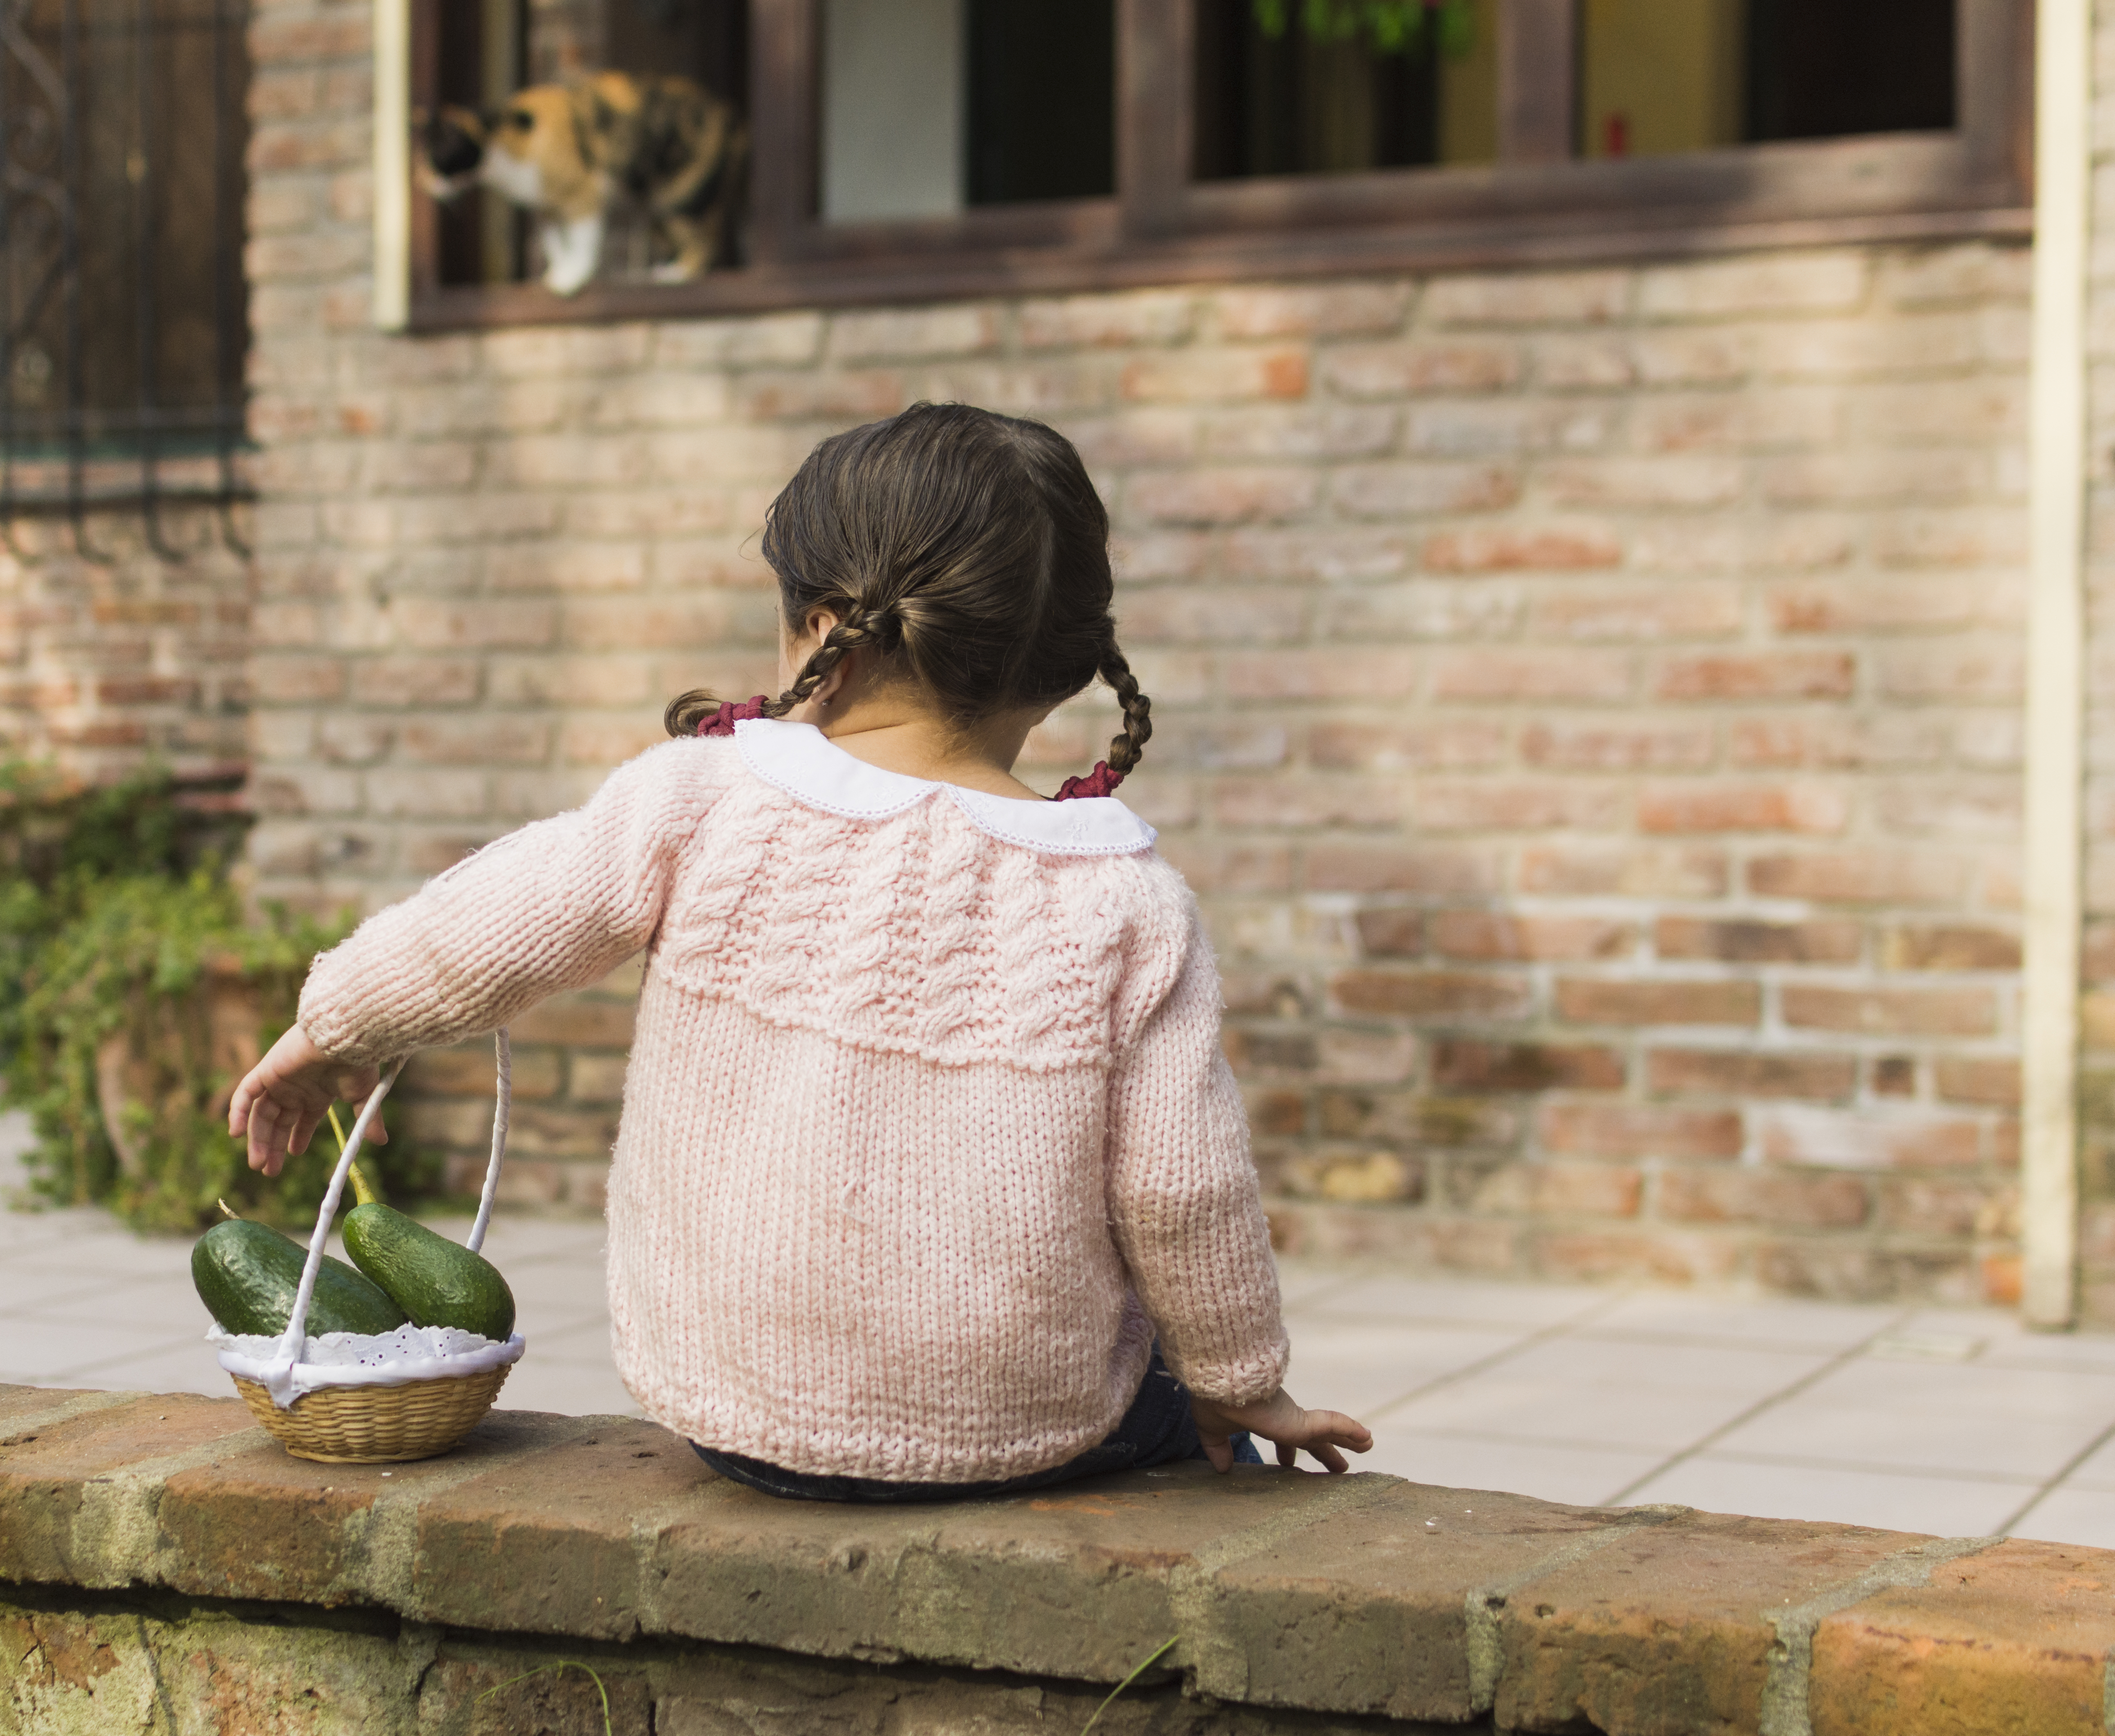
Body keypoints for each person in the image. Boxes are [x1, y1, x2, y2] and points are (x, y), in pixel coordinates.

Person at [227, 402, 1371, 1500]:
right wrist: (1240, 1385)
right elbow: (1183, 1187)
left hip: (732, 1405)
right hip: (1021, 1430)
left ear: (822, 626)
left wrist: (337, 1028)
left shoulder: (704, 797)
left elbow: (485, 924)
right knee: (1179, 1410)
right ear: (1071, 665)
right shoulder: (1126, 900)